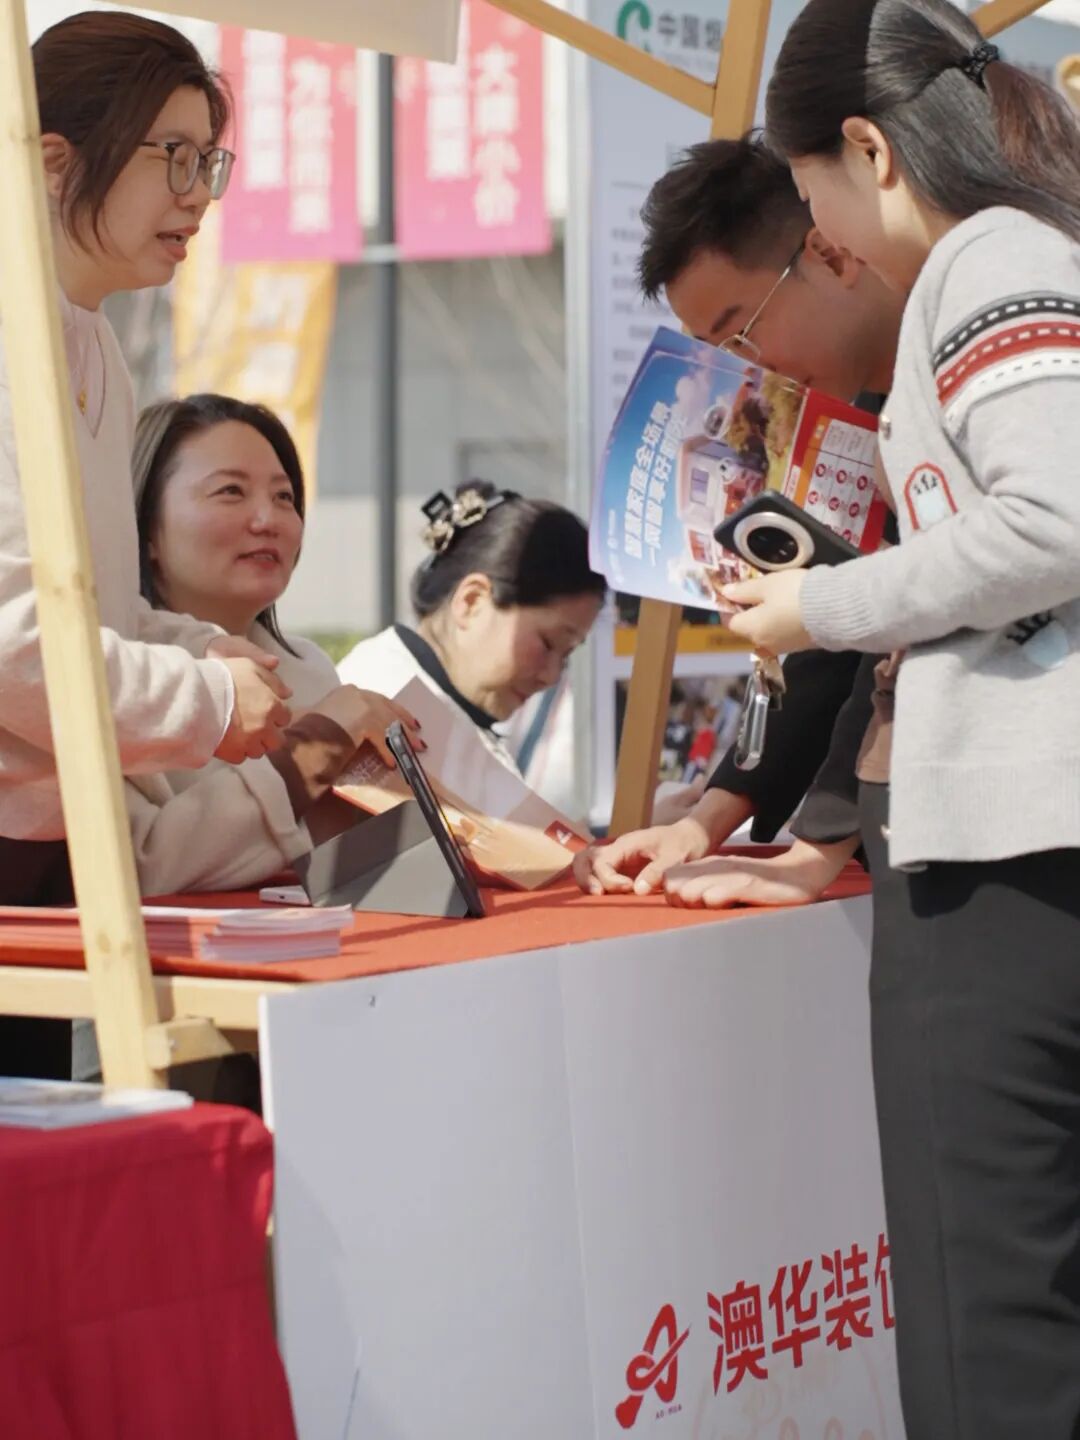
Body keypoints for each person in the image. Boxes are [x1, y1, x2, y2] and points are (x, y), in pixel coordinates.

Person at [714, 3, 1080, 1434]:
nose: (821, 239)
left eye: (807, 201)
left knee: (985, 1305)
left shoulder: (989, 261)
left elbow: (1054, 514)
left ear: (865, 147)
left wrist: (822, 607)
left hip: (1012, 856)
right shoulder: (1028, 252)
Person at [0, 14, 290, 1074]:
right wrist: (208, 701)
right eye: (172, 156)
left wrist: (200, 648)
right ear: (51, 159)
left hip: (44, 848)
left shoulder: (95, 346)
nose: (198, 194)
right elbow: (13, 640)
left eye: (209, 159)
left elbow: (86, 609)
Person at [575, 135, 901, 895]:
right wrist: (703, 821)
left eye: (741, 332)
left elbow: (907, 632)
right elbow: (836, 654)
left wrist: (814, 849)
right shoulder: (848, 419)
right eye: (717, 350)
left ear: (825, 251)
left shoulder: (964, 369)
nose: (748, 374)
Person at [128, 394, 418, 895]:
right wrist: (313, 750)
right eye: (230, 492)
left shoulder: (307, 669)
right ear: (145, 528)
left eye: (284, 497)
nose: (269, 519)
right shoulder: (119, 675)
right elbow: (139, 866)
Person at [337, 482, 606, 774]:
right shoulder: (383, 696)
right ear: (472, 601)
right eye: (547, 643)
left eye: (566, 656)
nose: (551, 676)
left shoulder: (450, 709)